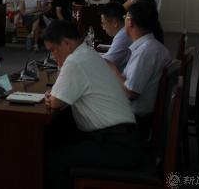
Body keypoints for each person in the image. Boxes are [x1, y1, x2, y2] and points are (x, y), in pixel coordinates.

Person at [43, 20, 142, 189]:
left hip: (117, 146)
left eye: (53, 50)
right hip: (126, 139)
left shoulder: (75, 60)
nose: (52, 56)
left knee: (55, 160)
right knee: (60, 137)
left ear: (66, 44)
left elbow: (56, 102)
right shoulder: (89, 53)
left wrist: (52, 97)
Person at [109, 0, 170, 134]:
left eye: (125, 17)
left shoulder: (145, 51)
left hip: (133, 121)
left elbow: (131, 93)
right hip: (136, 116)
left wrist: (112, 69)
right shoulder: (152, 46)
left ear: (130, 22)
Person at [100, 2, 132, 73]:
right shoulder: (123, 33)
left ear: (115, 23)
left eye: (103, 23)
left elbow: (105, 64)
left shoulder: (123, 36)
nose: (103, 28)